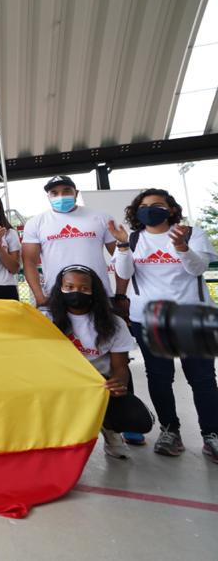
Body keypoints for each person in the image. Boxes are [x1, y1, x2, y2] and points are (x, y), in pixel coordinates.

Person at [111, 188, 218, 462]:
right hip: (149, 319)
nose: (150, 209)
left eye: (157, 204)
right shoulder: (134, 239)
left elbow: (196, 269)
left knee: (202, 379)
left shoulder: (191, 234)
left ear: (171, 209)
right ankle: (170, 431)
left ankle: (212, 434)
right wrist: (123, 246)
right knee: (159, 378)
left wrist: (181, 247)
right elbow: (124, 273)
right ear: (137, 212)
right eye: (144, 205)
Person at [45, 265, 154, 459]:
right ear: (59, 288)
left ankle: (110, 430)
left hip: (99, 384)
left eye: (84, 288)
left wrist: (119, 383)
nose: (76, 292)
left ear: (94, 291)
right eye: (69, 287)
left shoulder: (114, 323)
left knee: (137, 418)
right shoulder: (47, 319)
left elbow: (121, 367)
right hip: (61, 382)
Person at [21, 175, 116, 307]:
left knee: (104, 328)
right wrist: (39, 297)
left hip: (98, 293)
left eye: (66, 191)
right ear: (48, 197)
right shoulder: (36, 223)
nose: (60, 196)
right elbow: (29, 262)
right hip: (57, 295)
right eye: (54, 193)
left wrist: (121, 295)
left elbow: (120, 257)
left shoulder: (101, 217)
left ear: (76, 193)